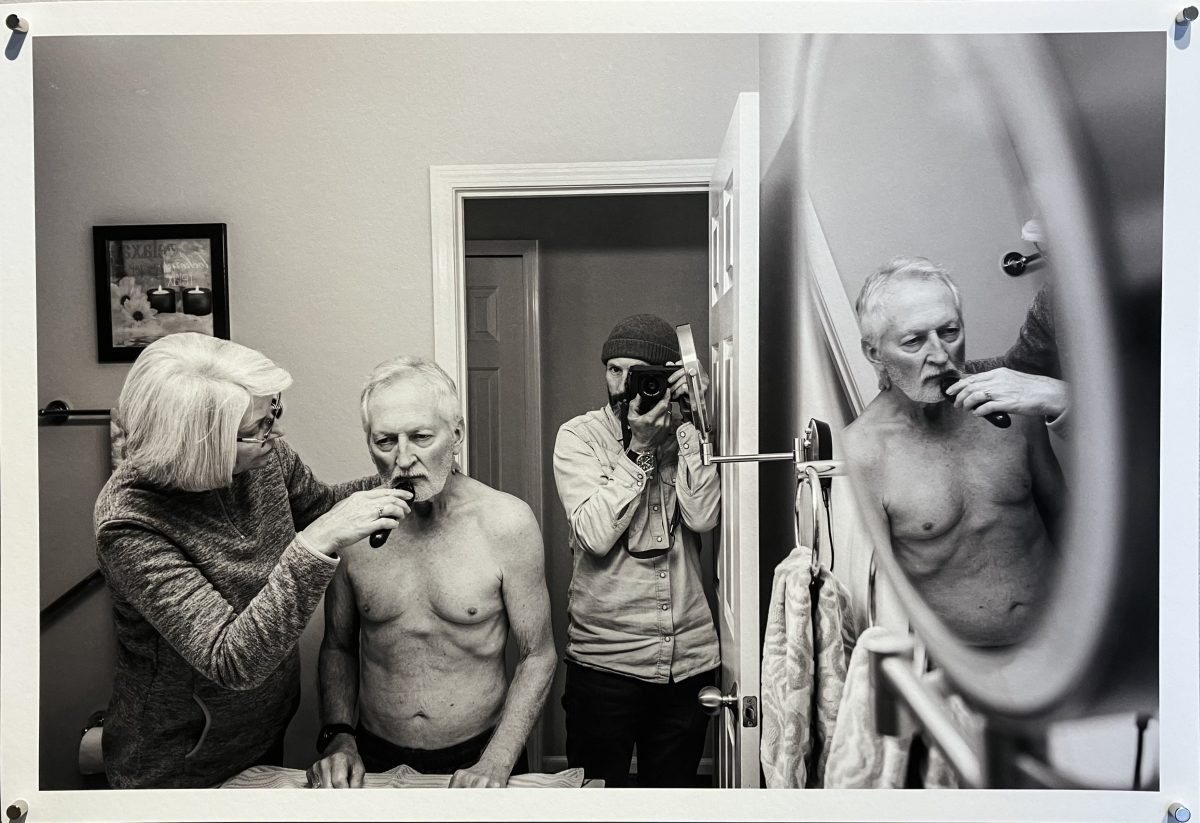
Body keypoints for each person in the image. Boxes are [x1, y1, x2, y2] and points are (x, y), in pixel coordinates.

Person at [94, 333, 409, 789]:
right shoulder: (128, 523)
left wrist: (403, 475)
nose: (274, 433)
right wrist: (316, 542)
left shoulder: (264, 457)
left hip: (262, 729)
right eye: (256, 428)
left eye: (272, 412)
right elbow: (231, 659)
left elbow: (322, 505)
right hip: (177, 761)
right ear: (201, 446)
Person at [307, 356, 554, 789]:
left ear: (456, 434)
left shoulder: (506, 522)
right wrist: (338, 738)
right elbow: (338, 647)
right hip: (373, 756)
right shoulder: (352, 528)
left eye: (421, 437)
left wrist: (497, 761)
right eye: (385, 441)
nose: (404, 459)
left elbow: (538, 655)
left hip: (482, 751)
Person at [841, 258, 1066, 647]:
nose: (941, 354)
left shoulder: (1010, 409)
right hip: (959, 670)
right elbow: (870, 597)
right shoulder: (861, 454)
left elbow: (1066, 520)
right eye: (913, 341)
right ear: (874, 352)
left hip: (1059, 641)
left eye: (949, 331)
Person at [552, 314, 721, 788]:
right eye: (614, 370)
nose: (625, 385)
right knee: (594, 797)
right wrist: (640, 449)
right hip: (605, 664)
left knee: (669, 802)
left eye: (640, 373)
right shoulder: (579, 437)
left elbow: (705, 517)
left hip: (685, 661)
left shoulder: (688, 433)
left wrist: (689, 424)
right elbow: (594, 534)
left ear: (668, 376)